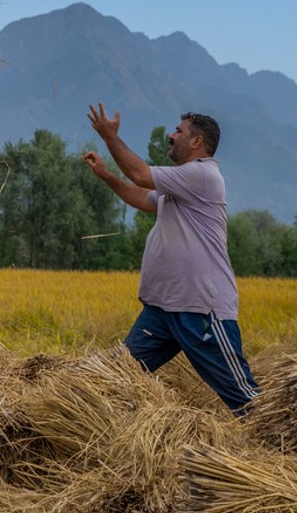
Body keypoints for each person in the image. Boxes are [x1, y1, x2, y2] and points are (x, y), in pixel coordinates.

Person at [82, 103, 258, 413]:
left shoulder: (201, 175)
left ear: (196, 142)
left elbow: (139, 174)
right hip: (164, 310)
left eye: (179, 131)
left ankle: (285, 449)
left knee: (246, 399)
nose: (170, 134)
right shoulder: (180, 184)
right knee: (112, 377)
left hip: (201, 310)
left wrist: (110, 138)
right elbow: (143, 197)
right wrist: (107, 176)